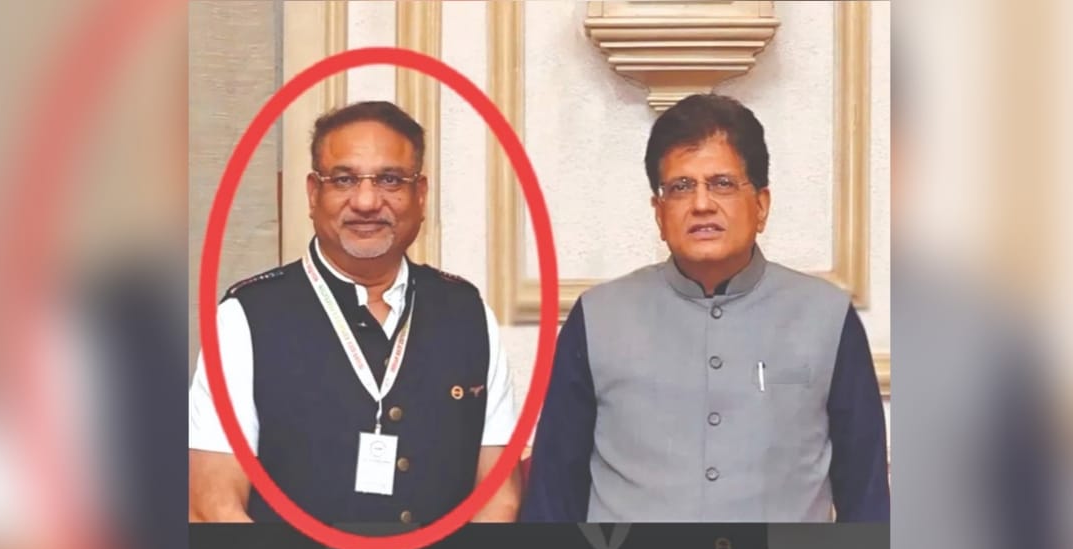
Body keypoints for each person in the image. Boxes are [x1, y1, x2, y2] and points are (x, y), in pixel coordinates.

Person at [521, 94, 889, 522]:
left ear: (762, 205)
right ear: (659, 213)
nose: (701, 205)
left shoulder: (826, 317)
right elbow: (553, 497)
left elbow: (866, 499)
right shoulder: (598, 318)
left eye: (722, 184)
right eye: (680, 187)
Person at [188, 101, 521, 523]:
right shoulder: (246, 318)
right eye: (344, 180)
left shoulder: (467, 315)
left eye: (390, 180)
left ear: (420, 195)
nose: (366, 201)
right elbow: (213, 507)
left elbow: (498, 497)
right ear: (314, 193)